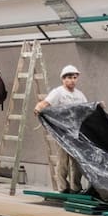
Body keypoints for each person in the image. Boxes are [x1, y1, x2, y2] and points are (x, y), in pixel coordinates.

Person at [36, 64, 87, 192]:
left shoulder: (80, 95)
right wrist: (38, 107)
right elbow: (46, 103)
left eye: (74, 77)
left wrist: (97, 107)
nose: (72, 80)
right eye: (69, 77)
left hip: (75, 133)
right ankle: (63, 187)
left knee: (76, 161)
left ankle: (76, 187)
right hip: (61, 133)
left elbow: (86, 109)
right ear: (63, 79)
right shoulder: (58, 92)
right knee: (63, 160)